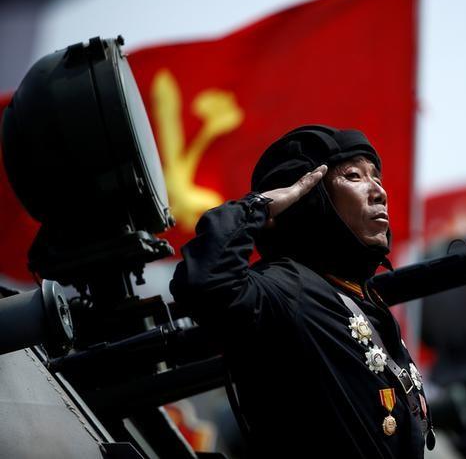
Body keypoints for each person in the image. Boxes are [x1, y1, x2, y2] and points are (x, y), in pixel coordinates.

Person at [170, 125, 434, 458]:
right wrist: (259, 207)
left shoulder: (363, 300)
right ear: (313, 198)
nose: (378, 191)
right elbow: (205, 281)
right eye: (354, 176)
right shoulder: (289, 286)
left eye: (376, 177)